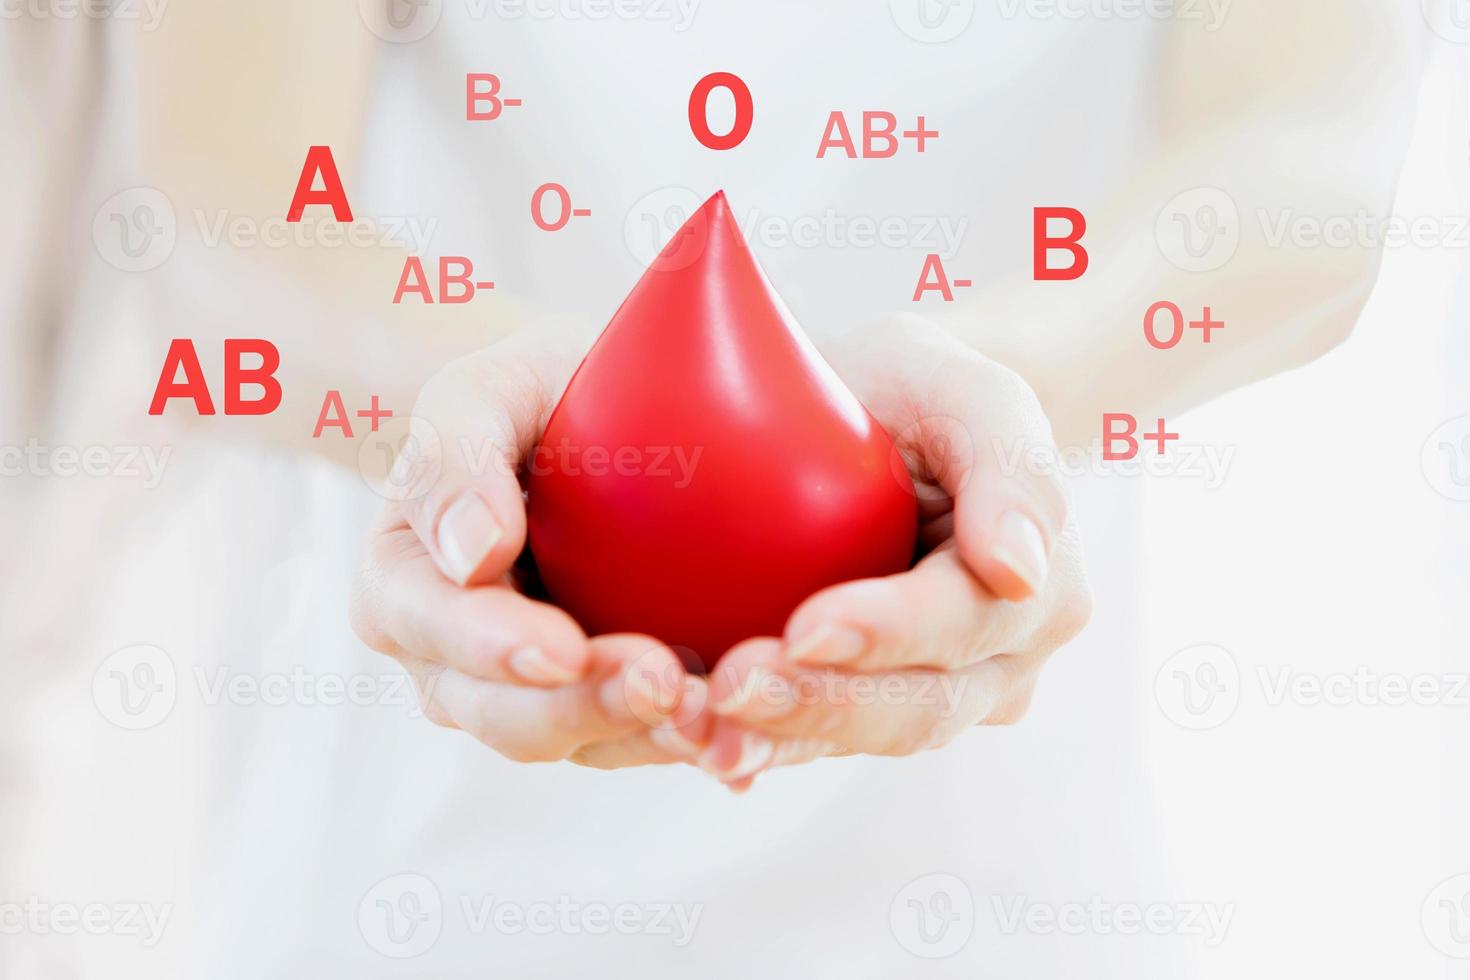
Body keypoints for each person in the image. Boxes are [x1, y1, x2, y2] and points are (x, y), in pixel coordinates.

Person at [0, 2, 1425, 976]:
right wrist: (484, 414)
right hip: (414, 893)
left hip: (1014, 896)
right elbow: (209, 203)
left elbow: (1311, 160)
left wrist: (1002, 397)